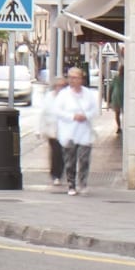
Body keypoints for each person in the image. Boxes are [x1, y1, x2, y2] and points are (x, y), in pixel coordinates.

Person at [51, 65, 102, 196]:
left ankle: (83, 183)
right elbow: (57, 111)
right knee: (70, 160)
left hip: (84, 131)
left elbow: (95, 110)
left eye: (75, 77)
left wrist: (86, 116)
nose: (72, 80)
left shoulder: (88, 94)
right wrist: (72, 116)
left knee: (84, 159)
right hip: (69, 132)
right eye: (70, 77)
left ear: (81, 79)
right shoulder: (64, 94)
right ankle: (71, 185)